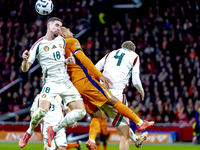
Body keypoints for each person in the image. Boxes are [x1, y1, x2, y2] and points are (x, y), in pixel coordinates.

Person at [47, 27, 154, 150]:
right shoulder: (71, 41)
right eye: (67, 30)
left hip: (75, 87)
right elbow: (84, 59)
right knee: (124, 135)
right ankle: (140, 123)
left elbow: (97, 65)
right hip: (97, 87)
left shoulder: (111, 53)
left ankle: (89, 139)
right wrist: (100, 76)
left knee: (97, 116)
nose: (70, 31)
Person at [19, 17, 86, 148]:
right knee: (41, 112)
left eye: (60, 26)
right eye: (56, 25)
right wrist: (25, 60)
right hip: (50, 83)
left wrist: (68, 61)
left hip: (65, 82)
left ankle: (54, 130)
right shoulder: (38, 45)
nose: (58, 28)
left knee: (81, 112)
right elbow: (25, 69)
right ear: (48, 26)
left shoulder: (62, 40)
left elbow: (61, 60)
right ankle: (29, 132)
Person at [95, 41, 148, 149]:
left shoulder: (111, 53)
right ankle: (135, 138)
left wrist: (101, 78)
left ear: (122, 48)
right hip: (116, 95)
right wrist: (141, 90)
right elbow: (136, 81)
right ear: (133, 50)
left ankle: (136, 139)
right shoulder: (134, 56)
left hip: (100, 94)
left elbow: (95, 68)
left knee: (123, 128)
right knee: (124, 136)